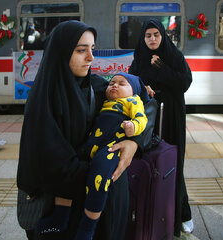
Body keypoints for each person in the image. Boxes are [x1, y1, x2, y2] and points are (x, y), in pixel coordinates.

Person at [16, 20, 155, 240]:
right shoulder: (44, 101)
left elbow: (145, 107)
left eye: (92, 49)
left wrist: (134, 141)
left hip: (105, 203)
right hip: (64, 209)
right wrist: (99, 174)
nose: (91, 57)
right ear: (61, 53)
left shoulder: (97, 86)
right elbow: (52, 163)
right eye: (81, 50)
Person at [35, 72, 149, 240]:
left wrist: (134, 137)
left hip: (110, 151)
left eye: (122, 83)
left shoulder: (123, 96)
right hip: (86, 149)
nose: (114, 86)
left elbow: (144, 116)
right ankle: (60, 216)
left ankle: (87, 228)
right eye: (113, 83)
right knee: (67, 169)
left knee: (100, 178)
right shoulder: (49, 85)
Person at [128, 18, 193, 236]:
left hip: (171, 115)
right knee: (148, 162)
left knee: (173, 162)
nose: (152, 39)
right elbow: (131, 84)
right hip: (147, 118)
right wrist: (142, 88)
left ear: (163, 35)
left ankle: (182, 214)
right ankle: (148, 212)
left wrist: (162, 68)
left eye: (156, 34)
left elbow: (184, 83)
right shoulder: (138, 59)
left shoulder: (174, 56)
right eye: (148, 35)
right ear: (143, 38)